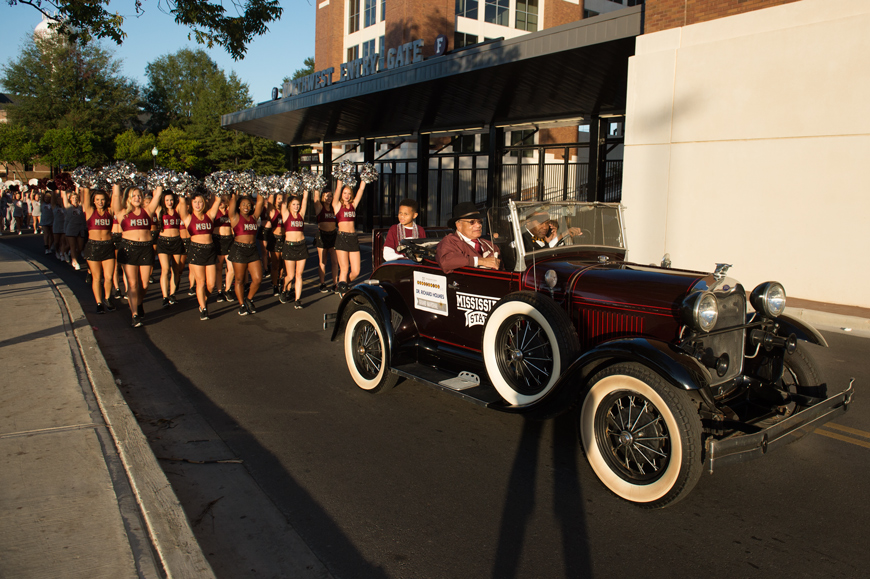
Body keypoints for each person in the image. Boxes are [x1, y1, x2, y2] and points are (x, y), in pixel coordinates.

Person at [112, 183, 163, 328]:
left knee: (145, 283)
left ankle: (139, 302)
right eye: (133, 195)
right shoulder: (122, 213)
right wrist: (116, 183)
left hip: (146, 248)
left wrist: (159, 181)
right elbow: (116, 196)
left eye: (139, 195)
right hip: (129, 248)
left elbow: (158, 195)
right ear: (128, 198)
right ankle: (134, 314)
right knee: (132, 283)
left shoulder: (147, 211)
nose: (137, 198)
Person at [178, 190, 222, 320]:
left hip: (210, 250)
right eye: (195, 202)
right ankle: (203, 308)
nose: (198, 204)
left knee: (211, 284)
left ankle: (203, 299)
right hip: (196, 250)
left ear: (204, 203)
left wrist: (219, 186)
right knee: (201, 282)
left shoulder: (209, 215)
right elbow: (181, 202)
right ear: (191, 203)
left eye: (200, 202)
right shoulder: (188, 218)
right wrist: (182, 189)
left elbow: (218, 200)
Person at [435, 202, 501, 274]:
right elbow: (445, 261)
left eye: (479, 222)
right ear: (459, 225)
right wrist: (480, 261)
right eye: (472, 222)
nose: (478, 225)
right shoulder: (450, 241)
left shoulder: (490, 245)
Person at [227, 192, 265, 315]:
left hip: (252, 249)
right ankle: (241, 304)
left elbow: (260, 201)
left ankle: (248, 299)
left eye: (248, 205)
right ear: (239, 206)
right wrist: (235, 194)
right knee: (239, 279)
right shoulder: (235, 217)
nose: (246, 207)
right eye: (243, 204)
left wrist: (261, 187)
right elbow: (232, 203)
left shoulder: (254, 217)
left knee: (258, 279)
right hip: (239, 249)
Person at [80, 187, 117, 313]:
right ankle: (99, 302)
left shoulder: (110, 211)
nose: (100, 202)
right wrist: (86, 185)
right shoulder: (90, 211)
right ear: (93, 201)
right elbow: (86, 195)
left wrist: (114, 186)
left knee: (109, 277)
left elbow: (116, 198)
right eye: (97, 200)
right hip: (93, 246)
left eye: (102, 199)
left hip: (108, 246)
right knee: (97, 277)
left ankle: (107, 298)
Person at [332, 179, 366, 296]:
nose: (347, 195)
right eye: (344, 193)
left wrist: (364, 179)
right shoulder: (337, 205)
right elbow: (337, 189)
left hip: (353, 238)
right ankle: (342, 290)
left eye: (349, 193)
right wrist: (340, 179)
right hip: (342, 238)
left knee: (356, 271)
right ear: (341, 194)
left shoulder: (353, 205)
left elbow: (361, 190)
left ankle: (342, 284)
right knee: (344, 269)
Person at [280, 188, 310, 309]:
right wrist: (286, 188)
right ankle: (284, 289)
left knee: (299, 274)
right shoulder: (286, 214)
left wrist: (306, 188)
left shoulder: (301, 215)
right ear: (289, 205)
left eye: (298, 204)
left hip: (301, 246)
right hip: (289, 246)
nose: (296, 206)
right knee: (290, 276)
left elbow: (306, 199)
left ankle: (298, 300)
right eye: (294, 204)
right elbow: (283, 201)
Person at [156, 191, 185, 308]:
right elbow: (156, 196)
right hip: (163, 242)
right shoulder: (160, 210)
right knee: (165, 269)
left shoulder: (177, 210)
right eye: (167, 200)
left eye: (171, 200)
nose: (169, 202)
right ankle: (165, 296)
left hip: (177, 241)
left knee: (176, 268)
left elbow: (182, 202)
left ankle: (172, 294)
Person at [383, 198, 426, 262]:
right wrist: (404, 257)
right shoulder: (394, 229)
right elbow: (387, 253)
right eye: (400, 213)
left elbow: (423, 249)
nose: (402, 216)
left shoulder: (420, 230)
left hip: (416, 264)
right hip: (399, 263)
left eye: (406, 214)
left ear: (414, 215)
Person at [313, 189, 338, 292]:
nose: (328, 198)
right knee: (323, 261)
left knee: (335, 261)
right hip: (322, 235)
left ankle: (335, 284)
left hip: (333, 235)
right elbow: (316, 199)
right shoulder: (320, 207)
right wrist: (317, 186)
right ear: (322, 197)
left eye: (330, 196)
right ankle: (322, 283)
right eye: (326, 196)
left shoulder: (333, 208)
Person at [263, 193, 285, 297]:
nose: (280, 200)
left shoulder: (286, 211)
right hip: (275, 239)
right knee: (275, 264)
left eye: (282, 198)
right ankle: (275, 285)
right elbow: (270, 203)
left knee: (283, 264)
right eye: (278, 199)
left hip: (285, 239)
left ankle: (281, 281)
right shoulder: (272, 211)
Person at [214, 197, 234, 303]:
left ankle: (227, 289)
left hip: (230, 239)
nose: (222, 203)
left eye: (223, 200)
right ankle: (219, 292)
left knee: (231, 267)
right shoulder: (214, 210)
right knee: (219, 267)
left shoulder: (229, 210)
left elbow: (234, 200)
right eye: (220, 200)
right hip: (218, 240)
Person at [61, 189, 87, 269]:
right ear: (70, 199)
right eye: (73, 198)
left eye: (76, 198)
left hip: (80, 228)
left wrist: (81, 188)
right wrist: (63, 187)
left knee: (79, 247)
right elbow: (64, 197)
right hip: (71, 228)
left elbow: (84, 198)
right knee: (72, 245)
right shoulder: (68, 207)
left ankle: (70, 254)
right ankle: (74, 261)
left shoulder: (81, 207)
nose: (75, 199)